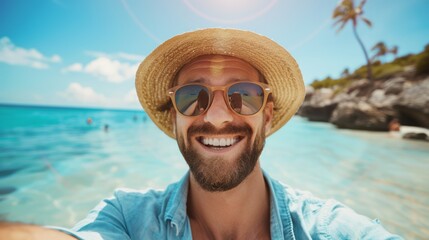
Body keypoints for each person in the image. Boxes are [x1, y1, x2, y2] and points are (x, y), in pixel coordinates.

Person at [1, 29, 402, 239]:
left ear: (268, 113)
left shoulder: (329, 230)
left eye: (243, 96)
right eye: (193, 96)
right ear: (172, 116)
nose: (216, 117)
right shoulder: (126, 218)